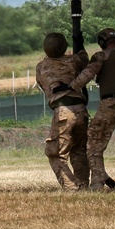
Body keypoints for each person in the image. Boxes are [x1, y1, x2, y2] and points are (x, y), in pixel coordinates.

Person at [68, 27, 115, 191]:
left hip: (110, 104)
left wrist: (70, 86)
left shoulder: (101, 56)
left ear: (102, 42)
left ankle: (97, 184)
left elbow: (88, 74)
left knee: (94, 144)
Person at [35, 31, 90, 191]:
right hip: (81, 109)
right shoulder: (74, 61)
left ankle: (71, 187)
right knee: (79, 150)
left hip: (62, 111)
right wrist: (78, 41)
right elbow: (84, 60)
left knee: (55, 153)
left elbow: (43, 85)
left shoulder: (41, 67)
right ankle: (83, 185)